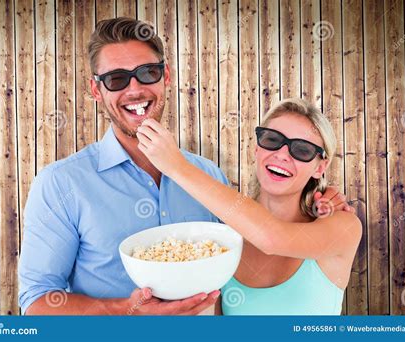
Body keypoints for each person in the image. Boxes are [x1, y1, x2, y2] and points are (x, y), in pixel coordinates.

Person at [19, 17, 350, 316]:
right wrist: (127, 311)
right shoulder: (61, 184)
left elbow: (271, 235)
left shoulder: (208, 177)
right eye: (116, 79)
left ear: (166, 77)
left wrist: (322, 198)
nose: (134, 89)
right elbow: (36, 304)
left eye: (147, 73)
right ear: (96, 89)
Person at [136, 97, 361, 315]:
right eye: (272, 140)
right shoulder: (223, 239)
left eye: (302, 150)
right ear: (256, 149)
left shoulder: (344, 226)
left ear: (320, 167)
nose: (282, 155)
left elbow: (272, 239)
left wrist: (177, 167)